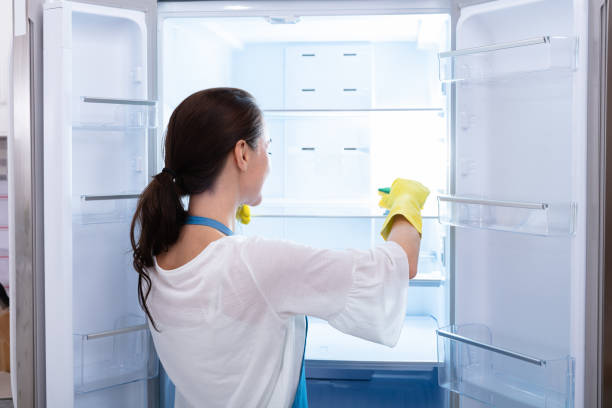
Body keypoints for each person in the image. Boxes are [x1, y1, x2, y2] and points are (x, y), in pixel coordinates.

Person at [130, 88, 429, 408]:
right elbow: (396, 267)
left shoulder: (155, 259)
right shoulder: (255, 263)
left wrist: (231, 224)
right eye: (268, 150)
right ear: (242, 154)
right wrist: (405, 204)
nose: (269, 164)